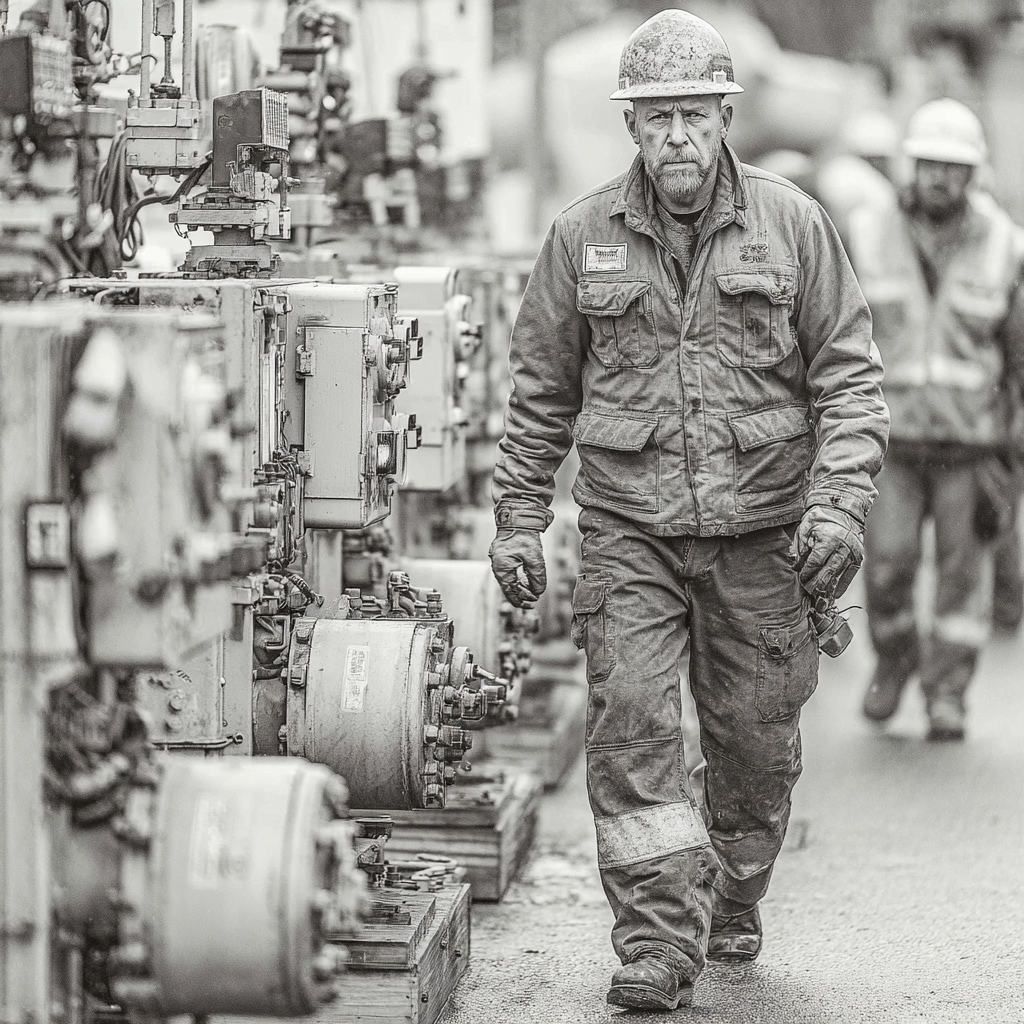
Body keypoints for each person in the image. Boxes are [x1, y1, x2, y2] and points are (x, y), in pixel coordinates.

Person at [488, 9, 889, 1012]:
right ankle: (658, 941)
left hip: (763, 535)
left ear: (724, 121)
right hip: (630, 533)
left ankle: (733, 893)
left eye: (694, 115)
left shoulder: (793, 226)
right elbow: (539, 393)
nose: (676, 135)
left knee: (755, 749)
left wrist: (839, 507)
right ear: (631, 124)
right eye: (657, 116)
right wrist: (518, 517)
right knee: (632, 730)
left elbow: (849, 380)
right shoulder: (580, 238)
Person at [848, 98, 1024, 740]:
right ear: (911, 166)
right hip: (888, 442)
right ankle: (895, 660)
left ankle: (947, 693)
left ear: (972, 173)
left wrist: (1013, 449)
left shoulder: (1005, 247)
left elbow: (1018, 357)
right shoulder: (867, 234)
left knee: (961, 581)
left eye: (954, 167)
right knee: (887, 565)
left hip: (969, 445)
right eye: (930, 164)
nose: (941, 177)